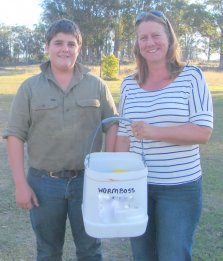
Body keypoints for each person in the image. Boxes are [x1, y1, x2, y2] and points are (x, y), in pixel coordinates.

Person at [3, 19, 118, 261]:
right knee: (48, 251)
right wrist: (21, 185)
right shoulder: (29, 88)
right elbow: (14, 136)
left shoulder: (97, 86)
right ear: (47, 46)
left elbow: (113, 125)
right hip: (43, 183)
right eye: (58, 43)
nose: (65, 49)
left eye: (71, 43)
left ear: (79, 48)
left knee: (90, 250)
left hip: (88, 182)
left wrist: (108, 173)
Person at [115, 11, 213, 261]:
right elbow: (124, 134)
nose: (150, 43)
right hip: (136, 187)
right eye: (143, 37)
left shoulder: (192, 77)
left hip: (179, 189)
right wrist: (117, 179)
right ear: (137, 44)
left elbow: (203, 131)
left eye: (156, 35)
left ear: (169, 38)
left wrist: (154, 132)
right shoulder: (128, 84)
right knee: (142, 255)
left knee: (173, 255)